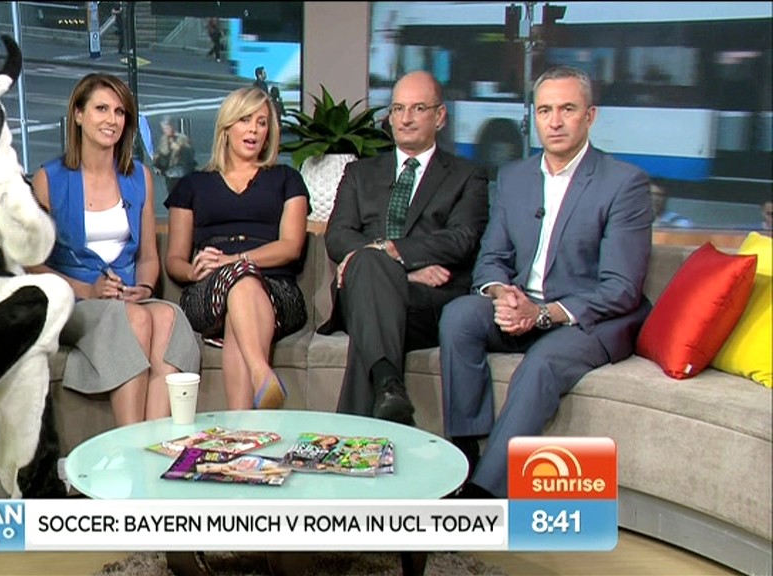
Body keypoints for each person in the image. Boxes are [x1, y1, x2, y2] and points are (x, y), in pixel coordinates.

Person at [439, 66, 653, 498]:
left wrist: (541, 314)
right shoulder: (514, 177)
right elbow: (492, 259)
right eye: (544, 110)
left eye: (567, 109)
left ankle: (484, 493)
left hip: (585, 319)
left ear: (590, 116)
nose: (554, 122)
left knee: (541, 364)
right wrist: (503, 295)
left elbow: (622, 287)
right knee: (459, 316)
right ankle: (465, 451)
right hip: (525, 305)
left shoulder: (623, 183)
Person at [319, 71, 489, 425]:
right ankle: (388, 390)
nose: (405, 118)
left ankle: (381, 393)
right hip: (369, 288)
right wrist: (400, 268)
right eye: (398, 108)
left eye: (417, 108)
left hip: (425, 304)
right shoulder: (359, 173)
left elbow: (461, 239)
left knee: (371, 308)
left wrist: (392, 252)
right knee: (370, 270)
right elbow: (337, 236)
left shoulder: (466, 175)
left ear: (439, 116)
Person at [30, 73, 200, 427]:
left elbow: (148, 256)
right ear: (78, 114)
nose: (112, 120)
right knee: (135, 319)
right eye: (102, 109)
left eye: (120, 112)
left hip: (126, 297)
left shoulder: (139, 177)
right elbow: (32, 265)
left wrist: (145, 287)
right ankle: (130, 440)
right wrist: (88, 290)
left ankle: (154, 441)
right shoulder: (49, 178)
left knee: (167, 318)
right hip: (74, 302)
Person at [164, 86, 309, 410]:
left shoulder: (287, 179)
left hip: (277, 290)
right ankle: (262, 374)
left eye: (262, 122)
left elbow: (290, 247)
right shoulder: (192, 185)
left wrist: (235, 260)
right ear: (227, 127)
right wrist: (193, 271)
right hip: (208, 290)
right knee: (238, 281)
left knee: (240, 289)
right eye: (245, 120)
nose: (254, 130)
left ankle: (241, 423)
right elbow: (174, 260)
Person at [153, 116, 197, 193]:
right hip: (169, 175)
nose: (165, 130)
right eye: (164, 128)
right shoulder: (163, 140)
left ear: (172, 126)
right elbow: (159, 155)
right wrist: (157, 166)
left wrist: (180, 149)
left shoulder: (182, 138)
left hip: (181, 174)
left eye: (167, 127)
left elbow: (190, 154)